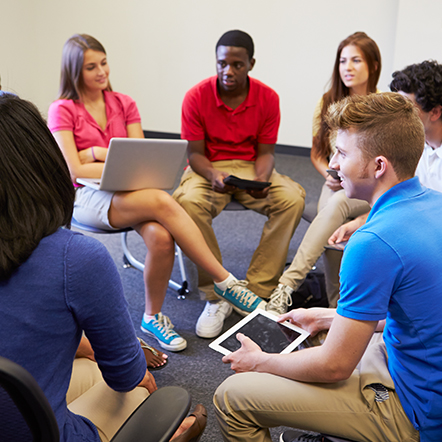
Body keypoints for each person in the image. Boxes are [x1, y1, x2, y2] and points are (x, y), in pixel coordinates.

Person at [214, 92, 442, 442]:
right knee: (319, 335)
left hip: (418, 412)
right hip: (417, 364)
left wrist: (260, 362)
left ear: (379, 166)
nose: (333, 164)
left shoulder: (372, 243)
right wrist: (328, 316)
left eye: (342, 153)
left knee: (233, 396)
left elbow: (334, 367)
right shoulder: (433, 203)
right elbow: (420, 312)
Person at [0, 93, 206, 442]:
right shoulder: (75, 259)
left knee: (84, 365)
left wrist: (83, 345)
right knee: (138, 390)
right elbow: (126, 375)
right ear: (44, 164)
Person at [47, 34, 266, 352]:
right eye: (91, 67)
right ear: (74, 72)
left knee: (162, 238)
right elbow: (74, 171)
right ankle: (225, 280)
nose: (101, 71)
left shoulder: (123, 103)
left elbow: (140, 158)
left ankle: (152, 318)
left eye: (104, 63)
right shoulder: (62, 109)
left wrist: (95, 152)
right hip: (86, 197)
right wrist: (99, 158)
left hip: (129, 190)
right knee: (164, 200)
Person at [173, 30, 306, 338]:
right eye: (222, 63)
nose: (228, 71)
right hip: (207, 167)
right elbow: (194, 153)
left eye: (236, 64)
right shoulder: (196, 96)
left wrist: (260, 180)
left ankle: (257, 289)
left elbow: (266, 153)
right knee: (187, 203)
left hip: (249, 167)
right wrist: (212, 175)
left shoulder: (268, 98)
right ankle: (218, 293)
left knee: (292, 198)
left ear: (251, 64)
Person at [266, 32, 381, 314]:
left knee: (334, 207)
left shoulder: (383, 107)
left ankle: (287, 287)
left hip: (369, 187)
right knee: (332, 222)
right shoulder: (328, 102)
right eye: (343, 61)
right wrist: (328, 174)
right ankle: (336, 308)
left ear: (373, 66)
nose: (348, 67)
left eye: (356, 60)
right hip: (336, 183)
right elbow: (317, 153)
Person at [329, 60, 442, 246]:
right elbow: (399, 201)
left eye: (408, 107)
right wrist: (361, 222)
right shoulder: (415, 147)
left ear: (435, 112)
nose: (399, 114)